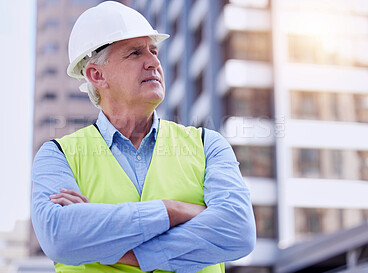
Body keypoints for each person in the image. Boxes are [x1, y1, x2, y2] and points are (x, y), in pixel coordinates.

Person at [31, 2, 256, 273]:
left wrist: (112, 248)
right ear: (97, 75)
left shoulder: (209, 145)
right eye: (135, 53)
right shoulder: (58, 155)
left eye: (153, 50)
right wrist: (175, 211)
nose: (154, 62)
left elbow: (238, 231)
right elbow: (60, 237)